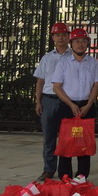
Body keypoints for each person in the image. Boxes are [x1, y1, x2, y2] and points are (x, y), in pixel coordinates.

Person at [51, 28, 98, 180]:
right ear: (71, 43)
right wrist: (70, 104)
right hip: (67, 107)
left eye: (83, 41)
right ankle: (65, 176)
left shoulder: (93, 63)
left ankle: (81, 177)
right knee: (66, 141)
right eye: (76, 41)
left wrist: (88, 104)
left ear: (87, 43)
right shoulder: (63, 63)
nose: (80, 44)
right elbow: (56, 87)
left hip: (87, 106)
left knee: (85, 142)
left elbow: (96, 85)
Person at [33, 22, 71, 182]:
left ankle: (65, 170)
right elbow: (40, 81)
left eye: (64, 35)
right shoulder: (47, 58)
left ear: (68, 37)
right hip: (48, 100)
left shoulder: (74, 56)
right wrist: (38, 101)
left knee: (66, 138)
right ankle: (48, 169)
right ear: (53, 37)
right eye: (57, 35)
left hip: (67, 101)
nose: (61, 38)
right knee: (49, 138)